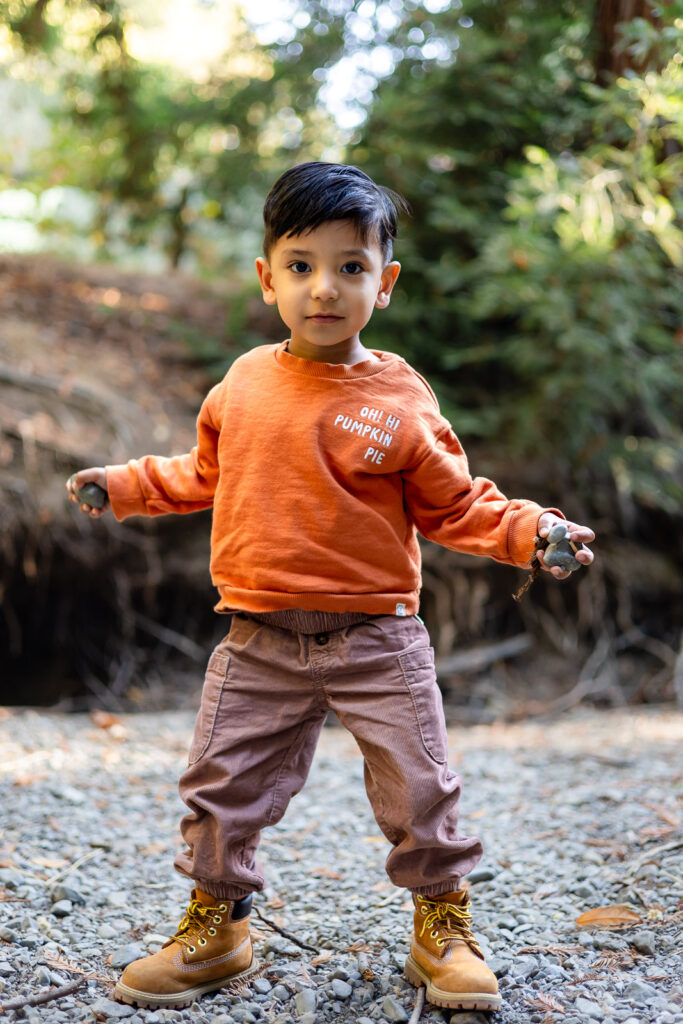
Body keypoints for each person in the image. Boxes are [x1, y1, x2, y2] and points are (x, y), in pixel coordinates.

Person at [67, 162, 595, 1013]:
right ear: (266, 277)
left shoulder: (398, 396)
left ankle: (442, 923)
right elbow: (200, 471)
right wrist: (124, 486)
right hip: (258, 636)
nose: (324, 287)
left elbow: (457, 504)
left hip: (376, 638)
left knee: (420, 785)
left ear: (383, 284)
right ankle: (218, 922)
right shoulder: (242, 383)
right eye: (302, 264)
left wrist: (534, 533)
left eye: (350, 266)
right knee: (220, 784)